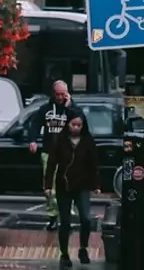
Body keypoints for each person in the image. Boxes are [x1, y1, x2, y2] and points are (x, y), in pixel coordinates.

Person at [27, 80, 85, 230]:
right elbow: (34, 124)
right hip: (49, 153)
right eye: (57, 94)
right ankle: (53, 217)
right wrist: (33, 140)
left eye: (63, 94)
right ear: (53, 93)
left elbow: (81, 121)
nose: (60, 97)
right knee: (49, 188)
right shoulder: (45, 109)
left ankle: (66, 217)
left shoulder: (72, 109)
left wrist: (69, 106)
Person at [44, 114, 100, 268]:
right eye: (73, 124)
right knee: (65, 222)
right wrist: (48, 185)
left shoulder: (88, 141)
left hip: (82, 185)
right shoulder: (60, 140)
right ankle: (64, 253)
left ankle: (83, 248)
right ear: (68, 124)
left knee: (86, 219)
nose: (76, 128)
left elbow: (93, 163)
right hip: (64, 185)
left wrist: (96, 185)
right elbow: (51, 163)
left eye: (79, 125)